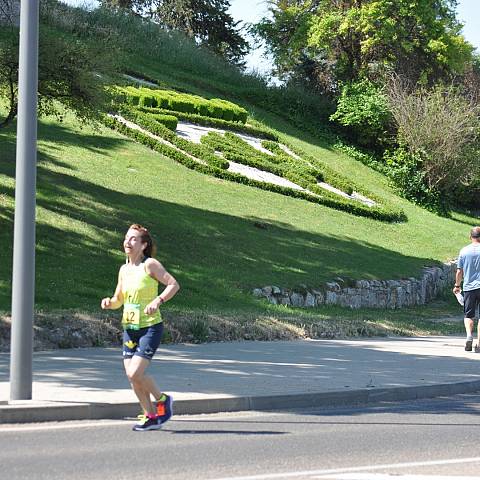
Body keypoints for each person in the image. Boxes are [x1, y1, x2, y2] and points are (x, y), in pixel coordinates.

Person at [101, 224, 180, 430]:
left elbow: (173, 284)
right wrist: (110, 303)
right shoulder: (124, 269)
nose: (128, 242)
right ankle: (150, 416)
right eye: (127, 238)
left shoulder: (150, 265)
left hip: (150, 327)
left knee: (135, 373)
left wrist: (158, 301)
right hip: (130, 328)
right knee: (132, 377)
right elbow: (119, 299)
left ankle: (162, 399)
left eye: (134, 239)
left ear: (143, 245)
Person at [453, 226, 480, 352]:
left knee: (468, 315)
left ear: (470, 237)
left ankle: (469, 336)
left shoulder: (464, 251)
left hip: (469, 287)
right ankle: (479, 343)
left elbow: (459, 271)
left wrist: (457, 286)